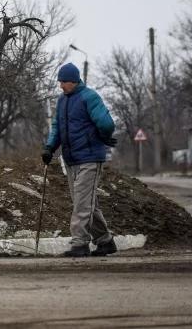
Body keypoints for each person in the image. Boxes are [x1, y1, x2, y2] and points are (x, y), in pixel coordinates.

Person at [42, 62, 119, 257]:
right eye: (60, 81)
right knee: (84, 202)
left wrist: (102, 136)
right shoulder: (62, 101)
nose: (61, 85)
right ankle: (105, 241)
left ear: (74, 81)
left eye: (64, 81)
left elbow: (106, 123)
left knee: (82, 204)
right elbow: (57, 126)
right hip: (71, 159)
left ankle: (80, 243)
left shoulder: (89, 97)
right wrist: (50, 147)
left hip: (90, 158)